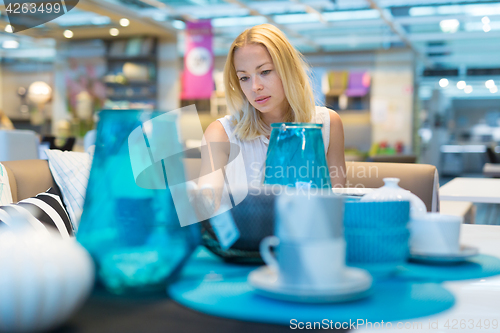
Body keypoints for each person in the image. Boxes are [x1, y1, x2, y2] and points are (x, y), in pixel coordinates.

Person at [198, 24, 346, 210]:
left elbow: (335, 208)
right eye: (244, 78)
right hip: (244, 239)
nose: (255, 87)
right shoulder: (221, 133)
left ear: (288, 69)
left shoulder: (327, 124)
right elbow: (205, 207)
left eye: (265, 72)